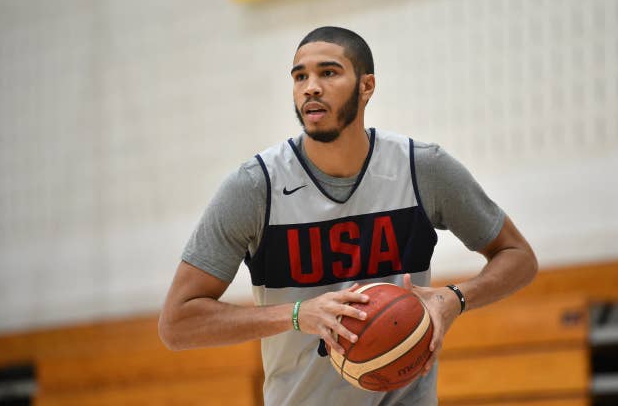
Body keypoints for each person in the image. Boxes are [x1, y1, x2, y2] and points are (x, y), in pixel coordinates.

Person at [158, 26, 538, 405]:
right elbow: (177, 323)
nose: (310, 87)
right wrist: (296, 315)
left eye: (328, 73)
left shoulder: (421, 169)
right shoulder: (255, 187)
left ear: (366, 86)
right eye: (300, 76)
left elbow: (518, 258)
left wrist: (454, 299)